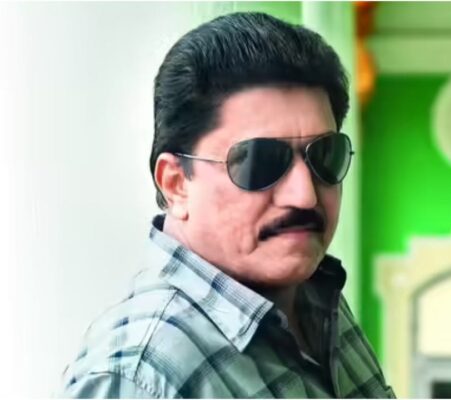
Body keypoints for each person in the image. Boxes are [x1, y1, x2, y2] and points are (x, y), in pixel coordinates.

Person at [60, 12, 395, 398]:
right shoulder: (141, 377)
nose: (304, 195)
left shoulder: (315, 297)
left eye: (325, 155)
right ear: (176, 184)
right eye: (259, 162)